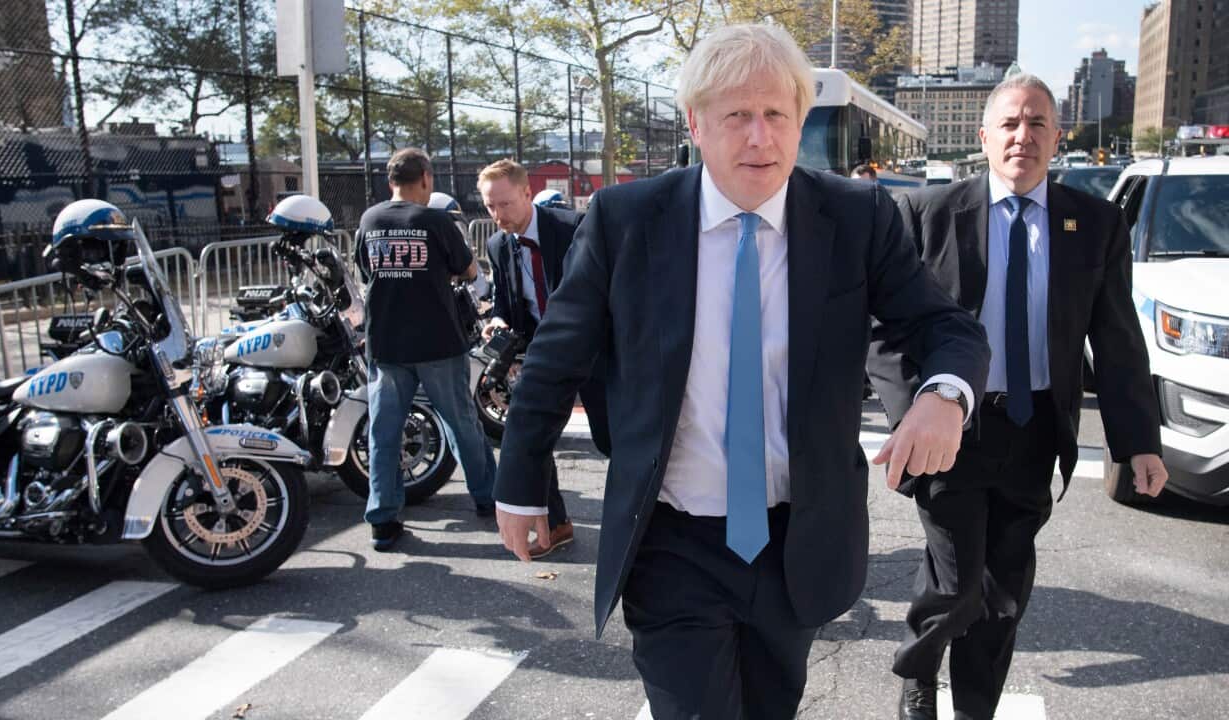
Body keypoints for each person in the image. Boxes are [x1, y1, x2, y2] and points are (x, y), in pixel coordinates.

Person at [492, 24, 990, 719]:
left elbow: (946, 327)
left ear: (798, 120)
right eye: (736, 117)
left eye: (776, 115)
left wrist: (944, 395)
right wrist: (519, 486)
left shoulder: (855, 217)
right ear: (695, 124)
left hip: (798, 540)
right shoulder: (627, 219)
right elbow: (556, 356)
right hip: (671, 543)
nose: (760, 138)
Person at [866, 74, 1168, 720]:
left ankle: (976, 708)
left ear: (1057, 138)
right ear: (983, 138)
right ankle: (917, 673)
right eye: (1009, 124)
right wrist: (911, 414)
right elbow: (884, 330)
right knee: (955, 582)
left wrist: (1138, 443)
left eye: (1036, 124)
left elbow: (1117, 342)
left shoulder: (1095, 226)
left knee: (1004, 594)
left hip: (1034, 434)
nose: (1022, 136)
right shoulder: (929, 215)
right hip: (954, 431)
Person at [356, 148, 496, 551]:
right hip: (438, 340)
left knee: (383, 432)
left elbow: (366, 271)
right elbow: (468, 269)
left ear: (391, 182)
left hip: (386, 343)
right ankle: (488, 498)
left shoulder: (370, 220)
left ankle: (382, 520)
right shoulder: (435, 221)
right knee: (460, 422)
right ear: (427, 179)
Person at [477, 159, 612, 559]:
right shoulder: (497, 245)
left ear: (526, 193)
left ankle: (642, 524)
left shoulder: (573, 228)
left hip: (596, 350)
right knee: (531, 435)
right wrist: (498, 321)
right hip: (543, 354)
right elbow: (505, 299)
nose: (497, 215)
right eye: (489, 207)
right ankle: (554, 524)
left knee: (614, 439)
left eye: (504, 204)